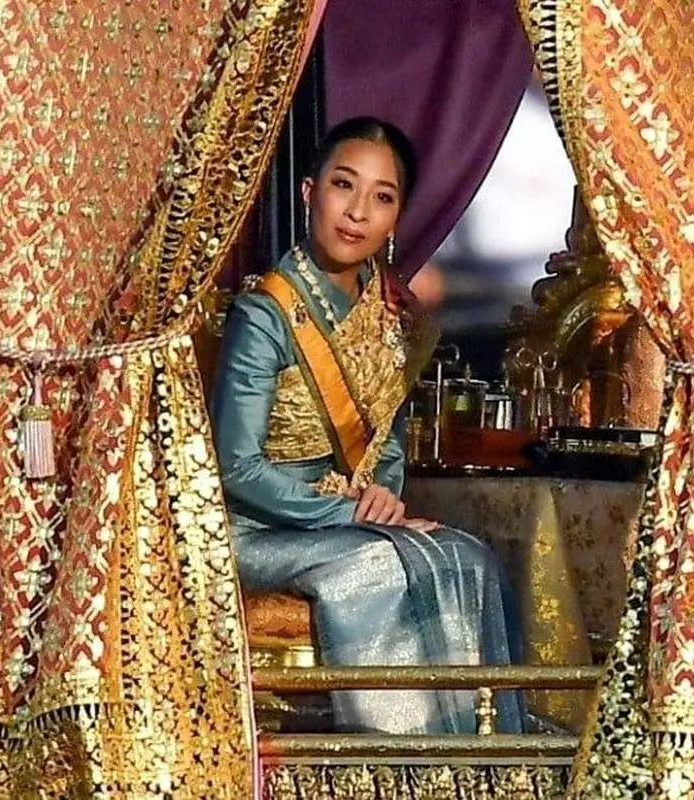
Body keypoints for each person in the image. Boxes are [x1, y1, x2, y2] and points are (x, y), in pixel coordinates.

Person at [211, 116, 521, 734]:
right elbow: (236, 469)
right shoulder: (265, 315)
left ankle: (473, 756)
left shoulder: (390, 318)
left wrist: (380, 498)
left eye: (382, 197)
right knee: (374, 565)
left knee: (469, 558)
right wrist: (347, 513)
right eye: (343, 185)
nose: (357, 212)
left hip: (351, 521)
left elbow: (386, 449)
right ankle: (390, 758)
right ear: (310, 192)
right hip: (259, 530)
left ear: (397, 217)